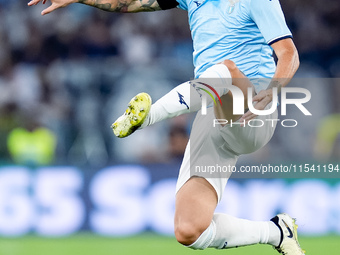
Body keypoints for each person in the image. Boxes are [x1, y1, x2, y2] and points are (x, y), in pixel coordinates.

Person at [28, 0, 304, 254]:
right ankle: (277, 232)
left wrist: (274, 89)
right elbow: (127, 3)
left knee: (227, 70)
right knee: (190, 230)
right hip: (213, 112)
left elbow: (288, 53)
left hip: (254, 104)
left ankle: (146, 117)